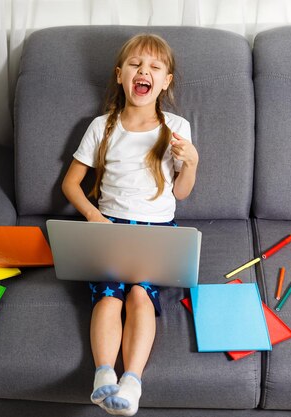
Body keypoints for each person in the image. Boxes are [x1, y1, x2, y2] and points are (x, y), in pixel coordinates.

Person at [61, 33, 199, 416]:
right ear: (121, 75)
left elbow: (183, 193)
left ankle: (132, 382)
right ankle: (103, 376)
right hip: (110, 227)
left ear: (166, 81)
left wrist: (192, 163)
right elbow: (70, 184)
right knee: (108, 296)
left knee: (141, 295)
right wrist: (94, 217)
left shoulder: (175, 127)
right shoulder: (102, 126)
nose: (145, 72)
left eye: (155, 67)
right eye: (137, 65)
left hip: (156, 231)